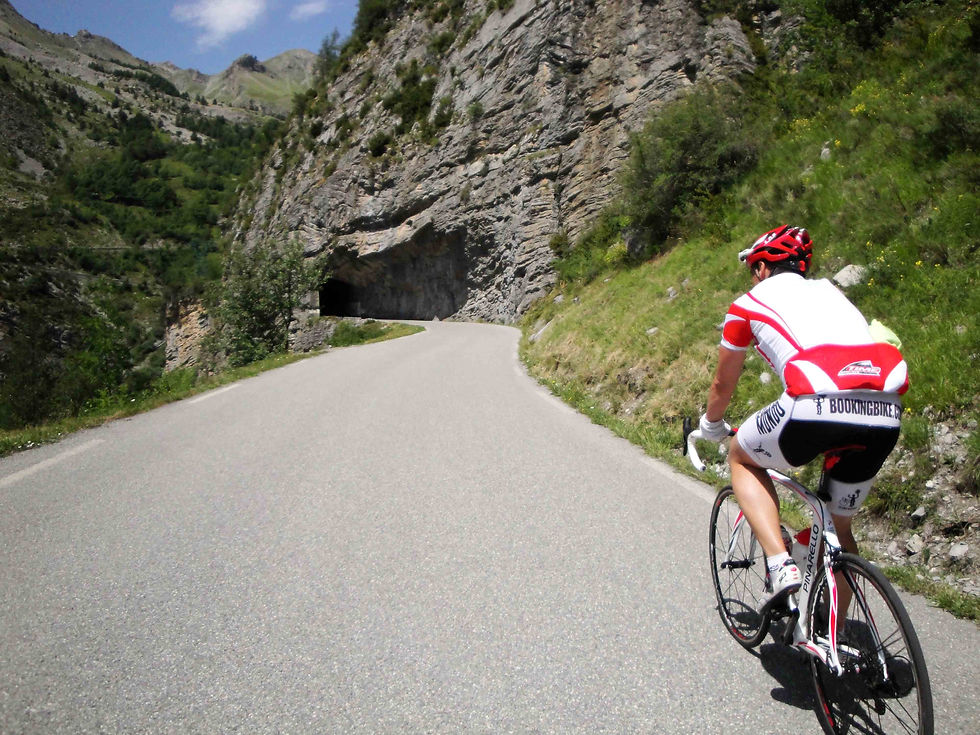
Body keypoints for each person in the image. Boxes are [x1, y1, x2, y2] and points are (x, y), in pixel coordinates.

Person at [700, 225, 908, 613]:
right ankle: (838, 637)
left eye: (753, 269)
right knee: (837, 526)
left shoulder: (747, 303)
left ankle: (780, 566)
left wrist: (712, 424)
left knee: (741, 455)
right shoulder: (833, 293)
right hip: (885, 409)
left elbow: (722, 382)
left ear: (762, 267)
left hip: (814, 401)